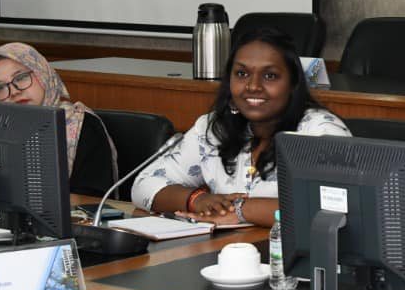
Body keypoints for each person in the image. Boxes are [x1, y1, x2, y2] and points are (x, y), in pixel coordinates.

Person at [132, 27, 348, 227]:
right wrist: (197, 200)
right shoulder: (214, 128)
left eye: (270, 75)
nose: (253, 86)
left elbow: (338, 208)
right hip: (227, 250)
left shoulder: (321, 131)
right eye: (242, 74)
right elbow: (143, 185)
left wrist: (241, 210)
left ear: (293, 84)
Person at [0, 42, 117, 195]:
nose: (14, 92)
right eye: (0, 87)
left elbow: (92, 200)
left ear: (42, 73)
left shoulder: (83, 125)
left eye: (21, 77)